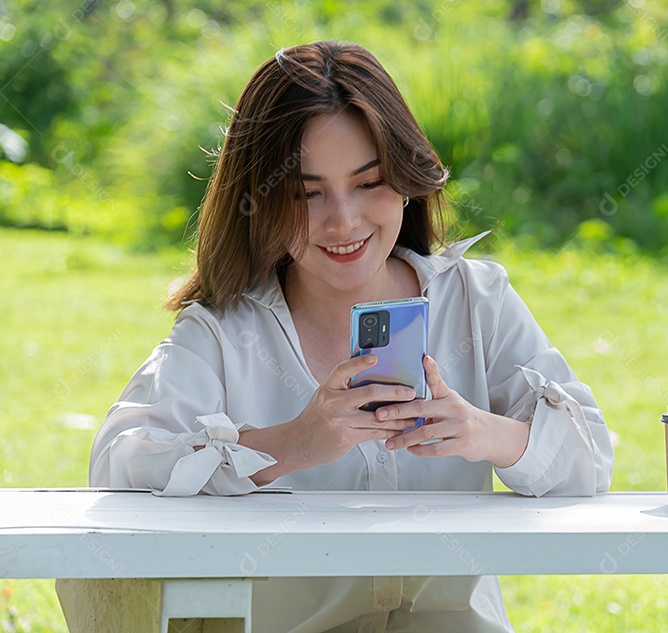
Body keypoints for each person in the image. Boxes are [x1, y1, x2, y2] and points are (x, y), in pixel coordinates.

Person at [87, 40, 614, 633]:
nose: (343, 221)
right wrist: (290, 444)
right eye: (305, 194)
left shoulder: (475, 300)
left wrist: (483, 432)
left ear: (407, 177)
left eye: (369, 183)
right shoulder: (226, 329)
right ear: (258, 203)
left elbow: (589, 456)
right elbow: (120, 464)